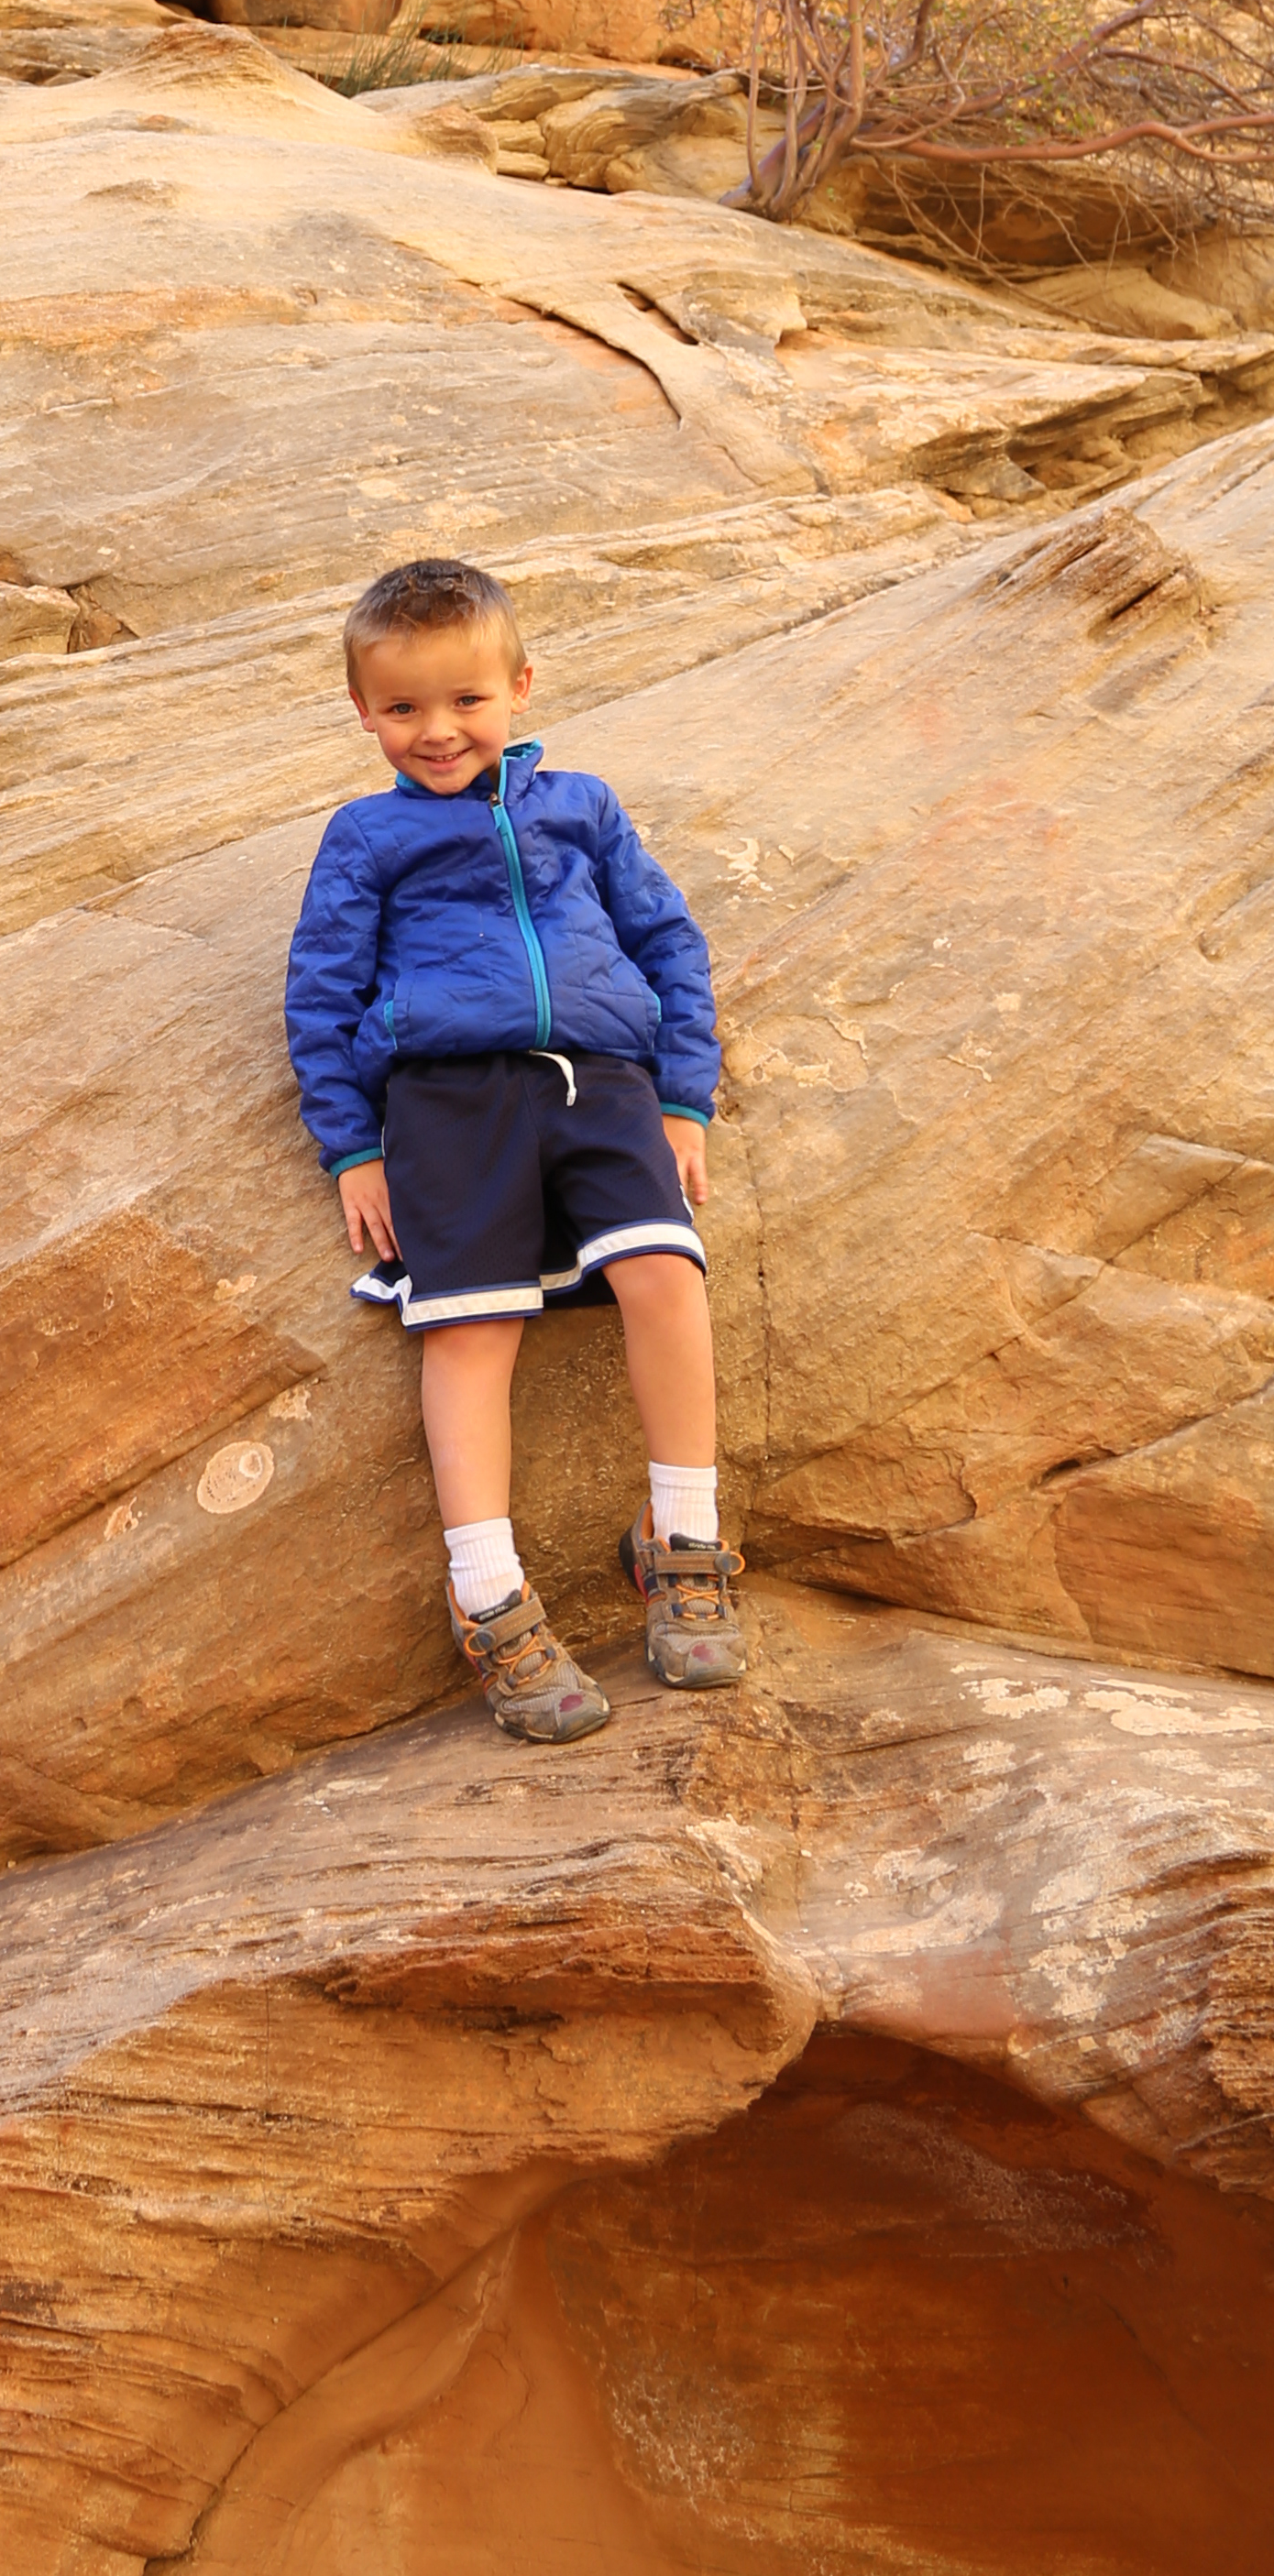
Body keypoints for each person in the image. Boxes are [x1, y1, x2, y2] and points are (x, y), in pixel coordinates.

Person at [281, 552, 744, 1747]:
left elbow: (671, 945)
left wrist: (684, 1098)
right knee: (471, 1329)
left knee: (664, 1273)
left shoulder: (580, 809)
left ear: (522, 686)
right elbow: (319, 1002)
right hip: (445, 1102)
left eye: (467, 701)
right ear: (362, 709)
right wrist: (353, 1150)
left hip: (603, 1085)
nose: (438, 732)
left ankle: (682, 1538)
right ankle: (486, 1588)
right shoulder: (365, 838)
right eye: (402, 708)